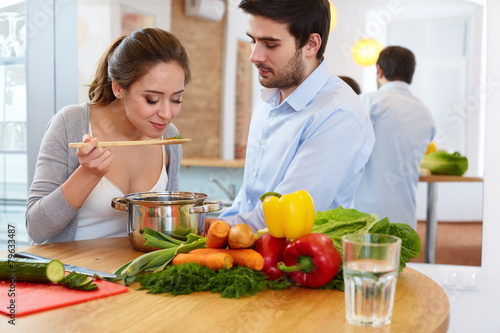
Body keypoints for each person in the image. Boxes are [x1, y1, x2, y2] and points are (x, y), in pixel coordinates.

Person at [211, 0, 375, 232]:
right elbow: (250, 194)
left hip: (299, 262)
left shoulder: (338, 113)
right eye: (253, 40)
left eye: (270, 44)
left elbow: (286, 214)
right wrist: (222, 222)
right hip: (251, 250)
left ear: (311, 44)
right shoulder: (268, 98)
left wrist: (214, 228)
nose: (254, 56)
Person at [26, 28, 191, 244]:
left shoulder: (170, 139)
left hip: (132, 273)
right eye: (152, 99)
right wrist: (88, 173)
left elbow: (167, 233)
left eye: (176, 99)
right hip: (70, 273)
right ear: (118, 88)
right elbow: (37, 228)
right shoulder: (70, 123)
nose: (167, 114)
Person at [354, 46, 436, 230]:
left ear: (379, 70)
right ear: (411, 76)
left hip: (365, 215)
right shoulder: (425, 113)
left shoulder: (368, 101)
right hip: (405, 216)